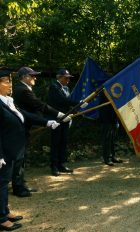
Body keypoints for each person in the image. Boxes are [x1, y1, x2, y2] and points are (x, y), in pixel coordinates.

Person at [0, 70, 59, 231]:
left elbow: (25, 115)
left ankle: (5, 211)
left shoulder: (8, 101)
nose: (10, 84)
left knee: (4, 183)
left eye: (10, 81)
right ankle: (1, 219)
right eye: (5, 81)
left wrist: (47, 122)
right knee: (2, 184)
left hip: (13, 149)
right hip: (4, 152)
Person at [11, 66, 66, 197]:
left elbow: (35, 108)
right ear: (24, 77)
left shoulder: (23, 89)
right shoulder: (22, 90)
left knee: (21, 158)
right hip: (19, 128)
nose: (35, 78)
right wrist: (57, 114)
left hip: (23, 127)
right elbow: (39, 105)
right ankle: (18, 188)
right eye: (32, 75)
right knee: (19, 158)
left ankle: (21, 184)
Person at [47, 68, 86, 176]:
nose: (68, 80)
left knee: (63, 141)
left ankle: (61, 164)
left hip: (65, 118)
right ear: (59, 77)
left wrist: (75, 109)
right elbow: (61, 100)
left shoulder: (66, 88)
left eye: (69, 78)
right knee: (55, 142)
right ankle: (54, 166)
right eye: (66, 78)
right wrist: (77, 103)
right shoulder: (54, 87)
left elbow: (66, 103)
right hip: (56, 118)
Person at [98, 92, 122, 166]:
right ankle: (106, 158)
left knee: (112, 139)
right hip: (106, 118)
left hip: (113, 118)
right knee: (106, 139)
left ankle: (112, 156)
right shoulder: (105, 88)